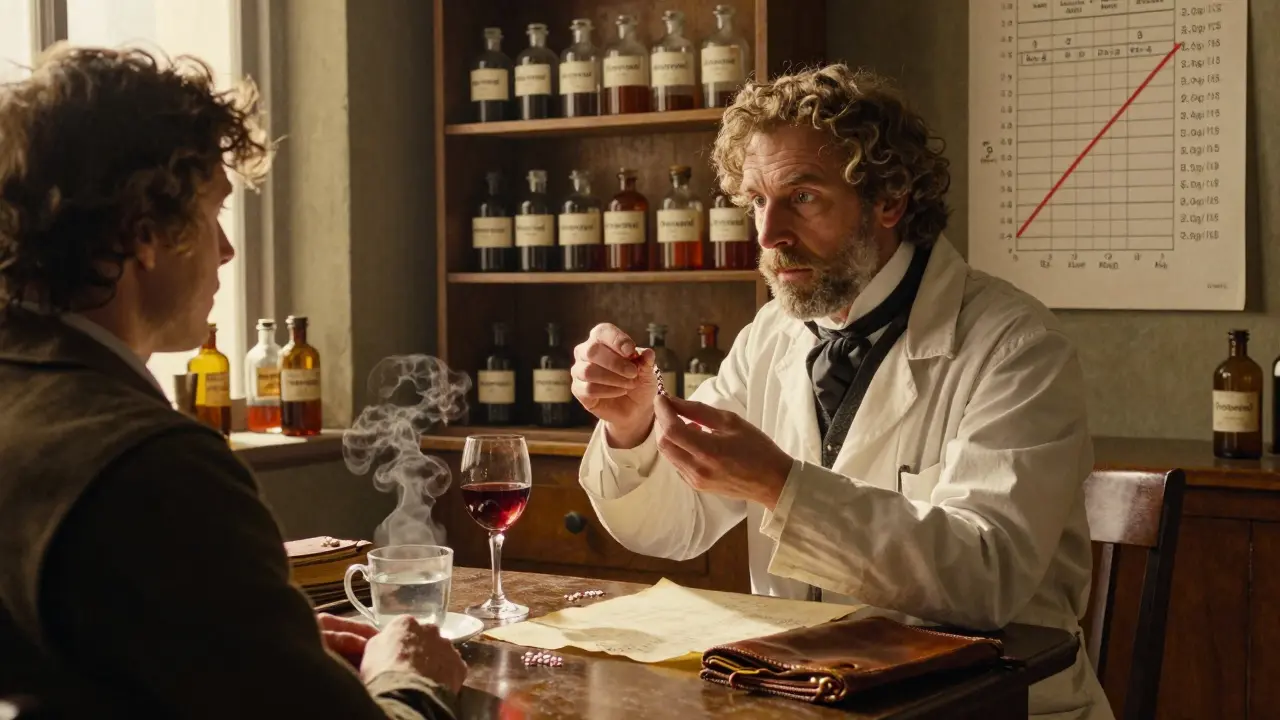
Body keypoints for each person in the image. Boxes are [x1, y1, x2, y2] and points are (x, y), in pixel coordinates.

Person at [572, 65, 1111, 720]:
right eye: (756, 202)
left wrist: (781, 486)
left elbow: (985, 576)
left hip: (988, 706)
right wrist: (632, 428)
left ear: (889, 199)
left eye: (802, 198)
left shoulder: (1016, 347)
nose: (768, 235)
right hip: (804, 700)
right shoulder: (771, 335)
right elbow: (676, 526)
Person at [0, 45, 465, 718]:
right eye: (212, 210)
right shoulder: (156, 468)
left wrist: (269, 647)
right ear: (145, 231)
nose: (227, 249)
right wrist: (405, 678)